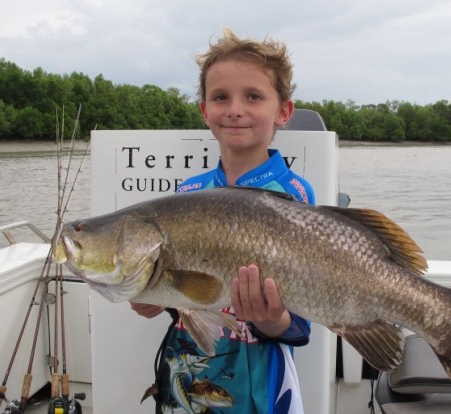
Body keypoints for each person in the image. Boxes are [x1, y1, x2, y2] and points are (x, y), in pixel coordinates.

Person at [131, 28, 315, 414]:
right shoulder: (187, 193)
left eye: (253, 96)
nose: (234, 108)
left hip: (264, 381)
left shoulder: (296, 196)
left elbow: (301, 326)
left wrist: (273, 320)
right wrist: (154, 296)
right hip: (188, 371)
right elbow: (190, 297)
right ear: (204, 111)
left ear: (283, 111)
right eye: (220, 97)